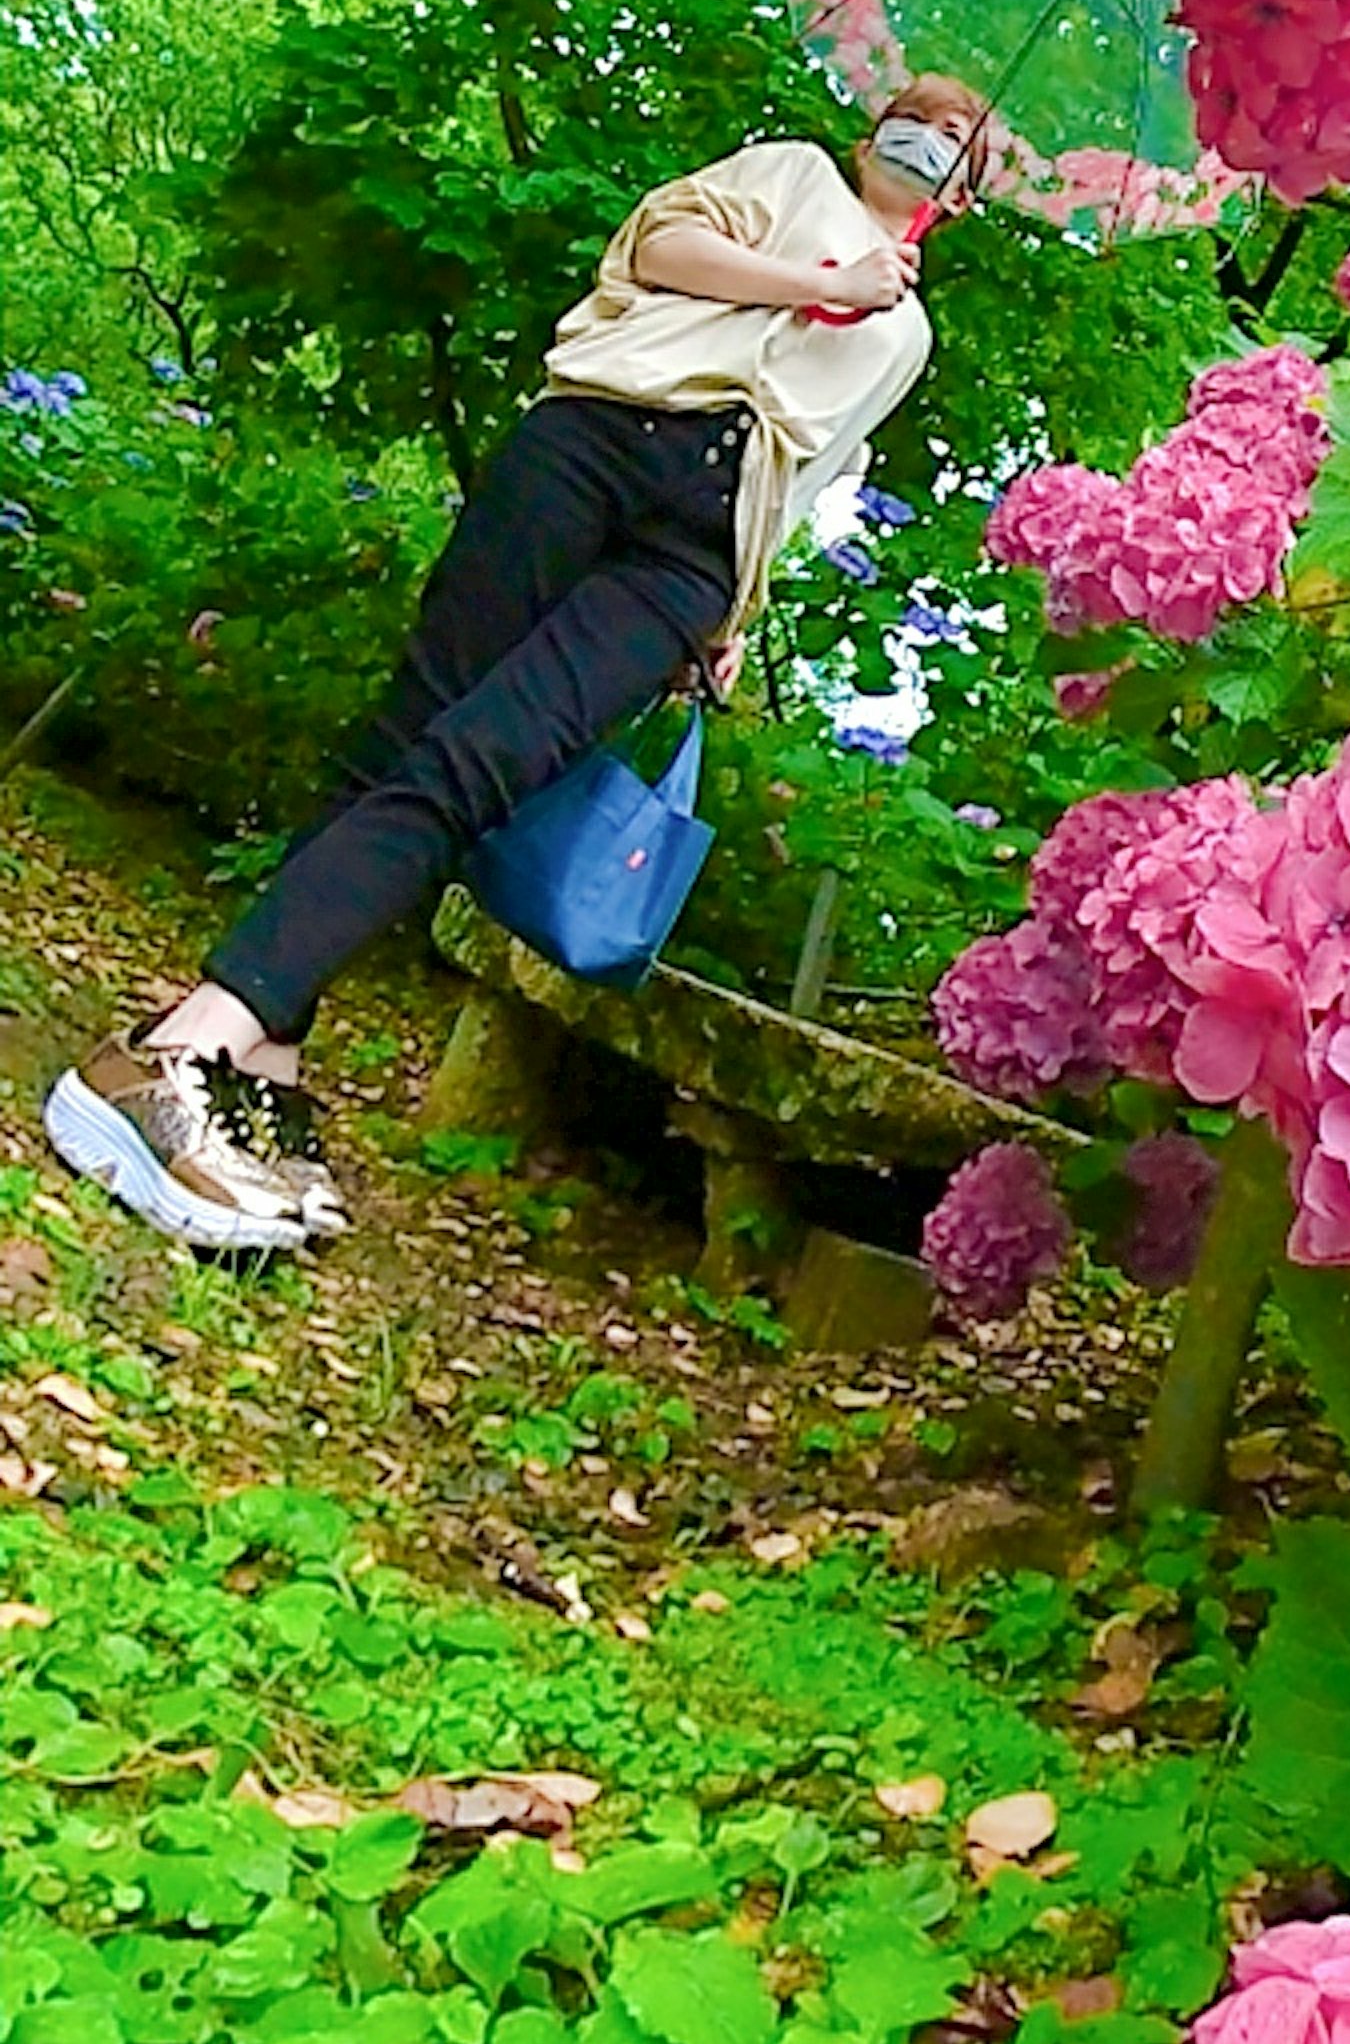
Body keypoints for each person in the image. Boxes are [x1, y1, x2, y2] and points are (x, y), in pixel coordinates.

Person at [47, 77, 993, 1260]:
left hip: (690, 555)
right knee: (416, 730)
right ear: (872, 131)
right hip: (597, 441)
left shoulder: (908, 336)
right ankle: (229, 1049)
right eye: (918, 113)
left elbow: (809, 473)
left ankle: (217, 1040)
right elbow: (662, 244)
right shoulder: (793, 174)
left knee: (485, 763)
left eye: (960, 135)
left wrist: (732, 613)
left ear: (969, 188)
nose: (931, 137)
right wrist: (822, 283)